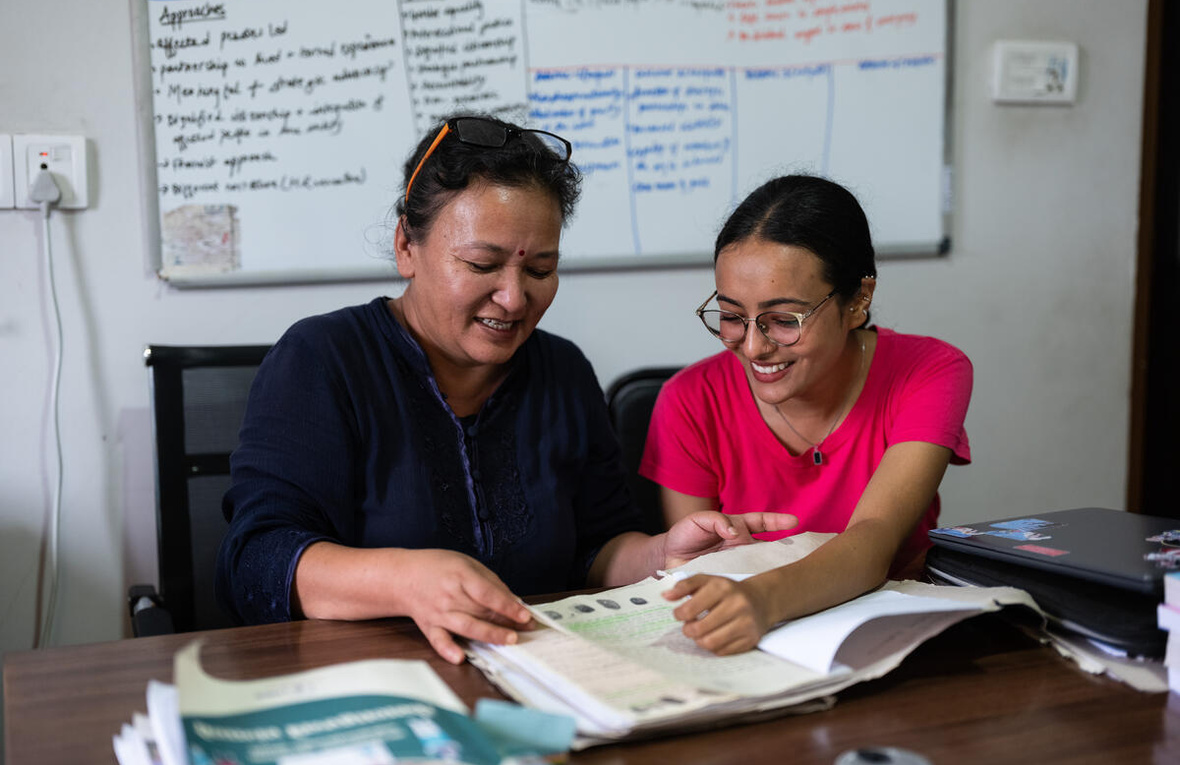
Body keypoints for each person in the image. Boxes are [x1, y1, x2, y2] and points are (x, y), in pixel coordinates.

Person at [215, 114, 794, 664]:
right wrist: (406, 580)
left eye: (540, 270)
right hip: (371, 682)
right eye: (482, 264)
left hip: (541, 674)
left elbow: (596, 551)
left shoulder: (562, 371)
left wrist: (661, 555)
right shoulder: (322, 360)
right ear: (405, 247)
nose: (515, 299)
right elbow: (256, 562)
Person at [640, 174, 972, 656]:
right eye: (732, 315)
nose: (753, 346)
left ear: (858, 300)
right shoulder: (688, 399)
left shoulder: (931, 372)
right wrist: (739, 603)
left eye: (785, 320)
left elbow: (873, 541)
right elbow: (700, 568)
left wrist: (761, 598)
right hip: (748, 643)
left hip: (888, 637)